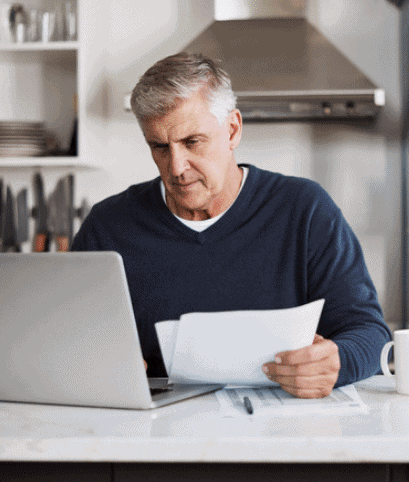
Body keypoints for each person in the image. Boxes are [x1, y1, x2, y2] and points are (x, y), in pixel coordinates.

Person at [72, 52, 391, 398]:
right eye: (159, 147)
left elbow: (369, 332)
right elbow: (65, 341)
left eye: (192, 142)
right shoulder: (106, 228)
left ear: (233, 129)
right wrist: (91, 363)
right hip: (155, 440)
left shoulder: (305, 211)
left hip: (280, 434)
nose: (176, 166)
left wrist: (337, 362)